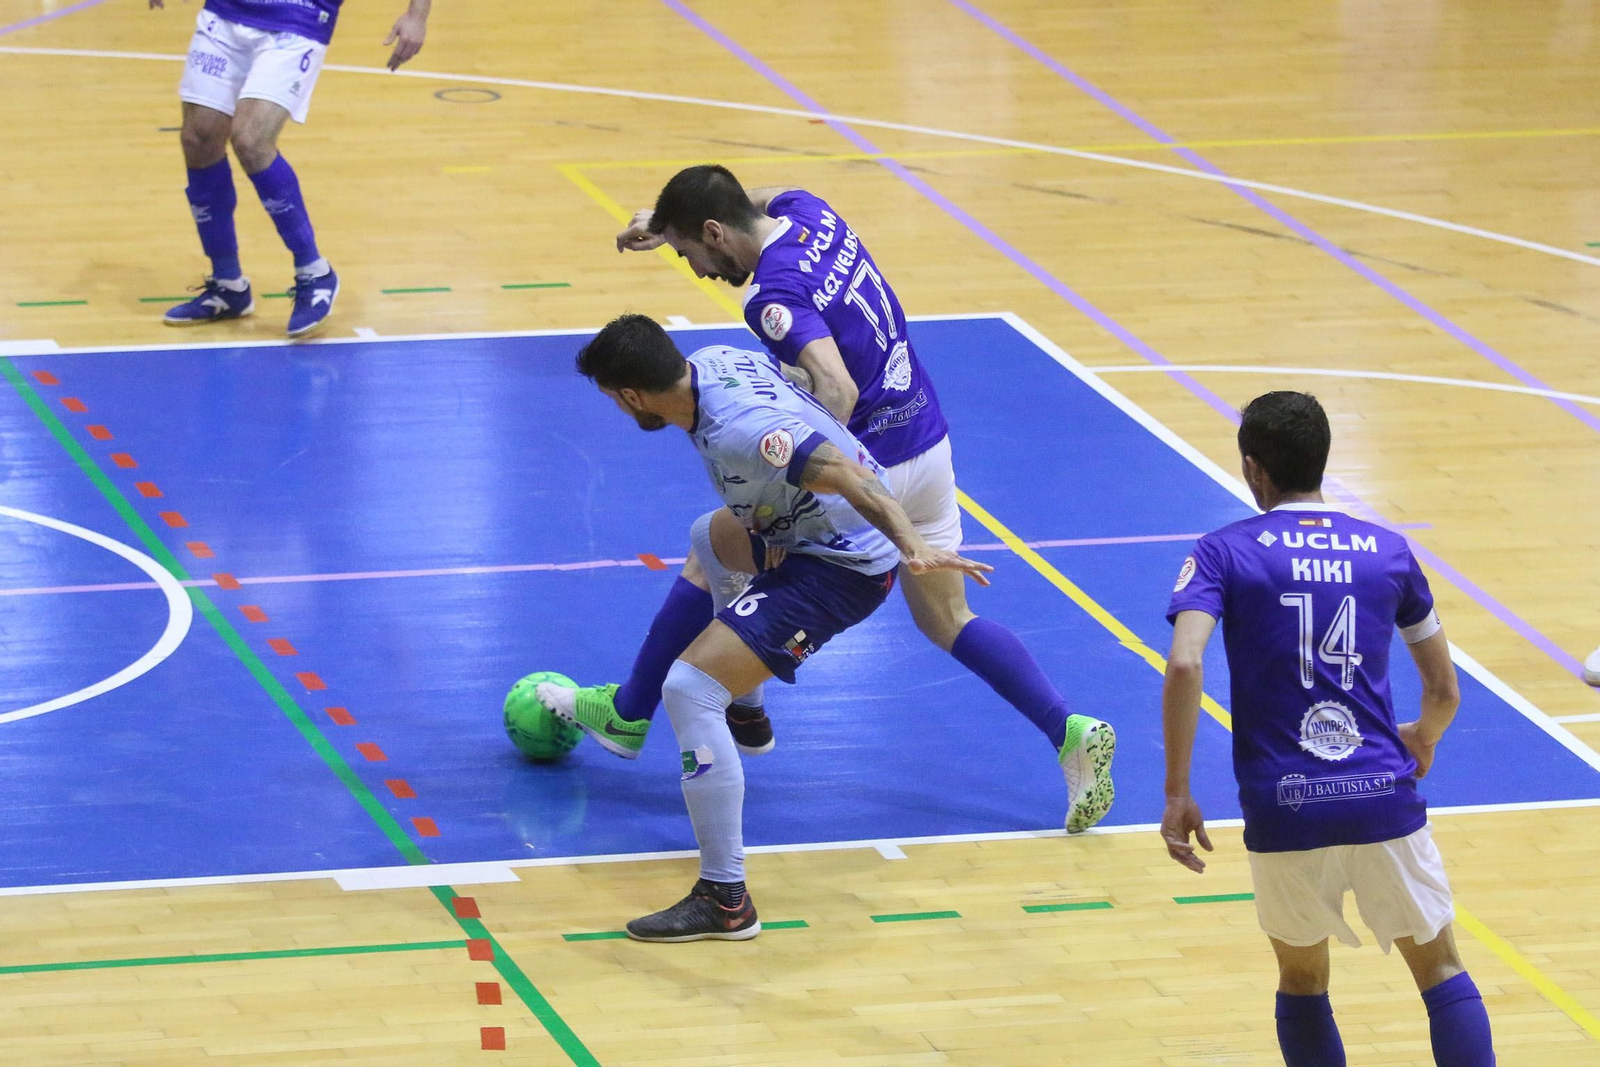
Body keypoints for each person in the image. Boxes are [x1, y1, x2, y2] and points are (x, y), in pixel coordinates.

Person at [603, 165, 1115, 833]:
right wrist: (663, 217)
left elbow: (835, 389)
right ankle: (1067, 727)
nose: (697, 270)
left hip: (870, 466)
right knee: (948, 619)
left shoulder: (772, 298)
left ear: (714, 233)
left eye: (690, 253)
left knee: (714, 547)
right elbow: (747, 198)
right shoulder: (810, 212)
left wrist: (790, 486)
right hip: (928, 440)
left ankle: (654, 710)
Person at [542, 314, 991, 942]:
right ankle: (747, 709)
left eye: (614, 401)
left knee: (689, 691)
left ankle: (725, 898)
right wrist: (774, 517)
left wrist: (912, 544)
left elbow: (855, 478)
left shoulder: (740, 434)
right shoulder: (721, 359)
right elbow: (802, 385)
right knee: (713, 538)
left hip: (843, 566)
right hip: (807, 532)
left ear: (632, 397)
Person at [1159, 392, 1495, 1065]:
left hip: (1284, 804)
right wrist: (1423, 736)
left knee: (1303, 979)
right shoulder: (1386, 550)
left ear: (1254, 469)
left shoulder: (1223, 551)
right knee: (1441, 969)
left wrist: (1177, 789)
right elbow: (1444, 689)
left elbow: (1185, 661)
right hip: (1381, 795)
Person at [150, 0, 432, 336]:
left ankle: (314, 272)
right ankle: (228, 285)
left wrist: (417, 15)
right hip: (225, 13)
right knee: (199, 139)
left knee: (251, 140)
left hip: (298, 17)